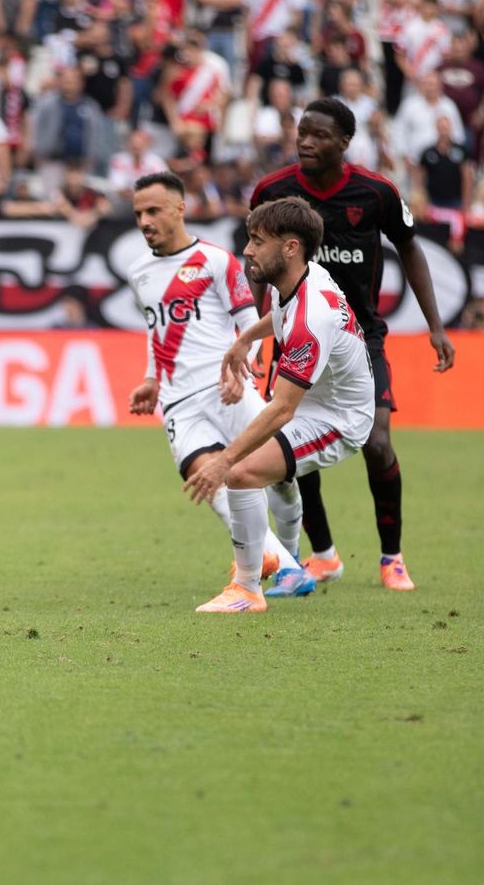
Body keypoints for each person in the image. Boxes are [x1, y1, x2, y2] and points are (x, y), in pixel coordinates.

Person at [249, 98, 456, 591]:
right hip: (296, 333)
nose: (305, 141)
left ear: (344, 142)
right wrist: (260, 325)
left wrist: (435, 325)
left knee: (378, 443)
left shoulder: (377, 192)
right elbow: (256, 257)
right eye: (301, 131)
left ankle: (392, 557)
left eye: (319, 135)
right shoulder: (272, 191)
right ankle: (322, 555)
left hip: (359, 338)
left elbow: (409, 248)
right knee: (288, 448)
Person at [125, 173, 315, 608]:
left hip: (228, 387)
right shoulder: (139, 272)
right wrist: (153, 378)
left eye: (153, 210)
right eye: (138, 213)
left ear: (179, 208)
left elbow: (250, 323)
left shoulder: (216, 261)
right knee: (210, 481)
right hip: (177, 403)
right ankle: (282, 565)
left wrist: (247, 368)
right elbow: (158, 331)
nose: (144, 221)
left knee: (280, 480)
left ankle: (289, 556)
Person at [184, 198, 378, 613]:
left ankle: (247, 589)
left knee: (241, 471)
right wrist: (244, 340)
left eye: (257, 241)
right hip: (316, 403)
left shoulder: (312, 316)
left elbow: (283, 409)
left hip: (340, 419)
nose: (248, 250)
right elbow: (278, 316)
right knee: (275, 477)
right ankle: (290, 568)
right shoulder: (297, 280)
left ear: (290, 247)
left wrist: (223, 461)